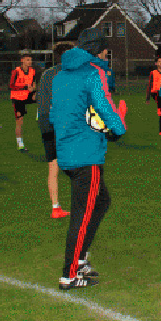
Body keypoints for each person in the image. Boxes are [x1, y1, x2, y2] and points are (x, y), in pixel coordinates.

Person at [51, 28, 126, 290]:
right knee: (82, 215)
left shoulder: (59, 76)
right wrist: (119, 129)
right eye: (105, 48)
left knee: (101, 201)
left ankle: (80, 259)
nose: (107, 52)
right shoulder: (93, 74)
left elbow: (54, 115)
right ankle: (70, 274)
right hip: (86, 155)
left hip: (67, 152)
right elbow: (104, 106)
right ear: (97, 49)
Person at [36, 43, 74, 219]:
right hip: (61, 124)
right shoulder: (67, 74)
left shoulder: (46, 75)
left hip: (45, 123)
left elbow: (41, 101)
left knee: (53, 167)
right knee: (78, 164)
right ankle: (83, 202)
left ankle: (55, 207)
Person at [10, 54, 37, 152]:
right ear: (22, 60)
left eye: (30, 60)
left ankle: (40, 114)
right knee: (19, 121)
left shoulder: (32, 71)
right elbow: (11, 85)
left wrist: (33, 89)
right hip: (17, 98)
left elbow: (34, 83)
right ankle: (20, 144)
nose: (29, 62)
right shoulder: (16, 71)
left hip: (27, 95)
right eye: (27, 60)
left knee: (41, 97)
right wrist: (24, 87)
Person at [146, 57, 161, 137]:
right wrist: (148, 97)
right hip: (155, 93)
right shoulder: (153, 72)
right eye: (159, 61)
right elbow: (150, 84)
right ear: (156, 63)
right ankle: (159, 107)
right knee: (159, 96)